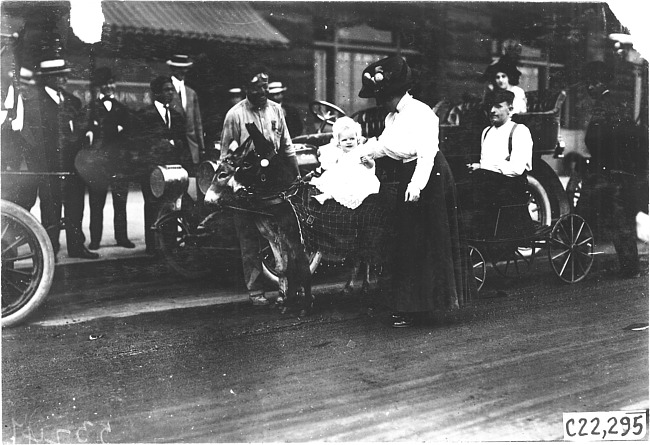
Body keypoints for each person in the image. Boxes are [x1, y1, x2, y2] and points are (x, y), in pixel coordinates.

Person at [359, 55, 475, 328]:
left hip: (429, 177)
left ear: (396, 93)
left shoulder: (422, 114)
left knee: (426, 241)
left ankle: (427, 304)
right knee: (407, 242)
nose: (381, 102)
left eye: (384, 96)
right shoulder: (392, 116)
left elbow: (427, 154)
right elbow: (387, 146)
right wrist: (364, 153)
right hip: (407, 174)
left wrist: (416, 186)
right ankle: (411, 305)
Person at [220, 66, 300, 306]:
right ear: (247, 88)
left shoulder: (277, 111)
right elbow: (225, 157)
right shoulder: (235, 115)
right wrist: (233, 187)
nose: (263, 92)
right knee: (249, 240)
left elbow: (287, 146)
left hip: (275, 181)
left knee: (283, 236)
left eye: (266, 87)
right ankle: (256, 292)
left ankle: (288, 289)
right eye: (257, 88)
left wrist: (295, 177)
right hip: (246, 183)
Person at [22, 55, 99, 259]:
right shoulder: (34, 103)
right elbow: (33, 138)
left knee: (75, 207)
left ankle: (76, 246)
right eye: (58, 76)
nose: (63, 80)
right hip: (50, 167)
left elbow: (81, 129)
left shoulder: (73, 101)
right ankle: (51, 250)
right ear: (47, 78)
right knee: (51, 209)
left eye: (64, 76)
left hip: (73, 167)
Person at [575, 61, 640, 278]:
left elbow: (596, 138)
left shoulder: (604, 104)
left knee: (617, 217)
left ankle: (629, 268)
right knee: (620, 218)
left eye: (590, 83)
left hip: (612, 170)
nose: (588, 88)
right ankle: (629, 266)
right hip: (620, 168)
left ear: (598, 82)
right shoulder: (616, 102)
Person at [466, 89, 534, 238]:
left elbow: (516, 169)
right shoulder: (486, 132)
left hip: (512, 187)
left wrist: (484, 167)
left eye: (498, 106)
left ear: (510, 109)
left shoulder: (519, 131)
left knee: (480, 177)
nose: (492, 111)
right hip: (490, 186)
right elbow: (486, 163)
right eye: (490, 106)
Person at [80, 67, 135, 250]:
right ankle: (95, 240)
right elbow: (88, 134)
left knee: (121, 204)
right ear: (99, 86)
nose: (109, 86)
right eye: (105, 84)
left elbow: (128, 135)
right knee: (96, 204)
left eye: (112, 82)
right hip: (99, 165)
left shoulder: (123, 109)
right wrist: (114, 129)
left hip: (119, 164)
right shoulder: (91, 109)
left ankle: (122, 238)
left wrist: (107, 131)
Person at [134, 76, 186, 254]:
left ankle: (170, 244)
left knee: (171, 205)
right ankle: (153, 245)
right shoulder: (144, 115)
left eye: (172, 89)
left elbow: (182, 142)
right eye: (166, 90)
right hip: (152, 170)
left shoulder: (177, 116)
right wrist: (164, 145)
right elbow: (142, 143)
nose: (170, 93)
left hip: (172, 170)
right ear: (156, 92)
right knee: (153, 205)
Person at [310, 116, 380, 209]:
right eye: (344, 140)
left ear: (357, 139)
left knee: (349, 190)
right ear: (339, 143)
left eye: (352, 139)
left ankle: (328, 197)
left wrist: (368, 162)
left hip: (358, 178)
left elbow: (371, 167)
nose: (349, 142)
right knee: (333, 182)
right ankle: (326, 196)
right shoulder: (340, 152)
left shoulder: (360, 151)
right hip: (344, 176)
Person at [167, 54, 204, 171]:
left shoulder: (191, 93)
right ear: (173, 69)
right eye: (179, 68)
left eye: (185, 68)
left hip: (191, 145)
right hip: (175, 145)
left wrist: (201, 147)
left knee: (192, 180)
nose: (183, 71)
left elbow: (197, 123)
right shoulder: (166, 90)